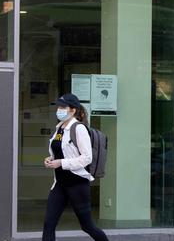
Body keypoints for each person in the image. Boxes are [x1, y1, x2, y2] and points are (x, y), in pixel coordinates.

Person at [42, 93, 108, 241]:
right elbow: (61, 151)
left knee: (87, 226)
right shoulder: (59, 128)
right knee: (49, 223)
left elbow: (87, 158)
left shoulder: (79, 128)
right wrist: (51, 159)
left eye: (63, 107)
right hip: (60, 184)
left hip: (77, 184)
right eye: (59, 107)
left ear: (73, 110)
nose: (59, 110)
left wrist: (61, 163)